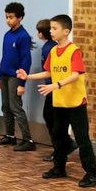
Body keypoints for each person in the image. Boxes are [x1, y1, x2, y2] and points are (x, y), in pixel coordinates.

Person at [17, 15, 96, 187]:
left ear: (66, 31)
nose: (51, 31)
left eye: (54, 28)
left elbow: (75, 75)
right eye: (51, 28)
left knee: (82, 138)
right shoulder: (53, 51)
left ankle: (92, 174)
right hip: (60, 102)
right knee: (58, 135)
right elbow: (48, 72)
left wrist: (56, 85)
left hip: (76, 103)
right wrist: (28, 76)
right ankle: (59, 168)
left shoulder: (74, 51)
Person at [0, 2, 35, 151]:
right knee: (5, 106)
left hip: (15, 76)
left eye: (11, 17)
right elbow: (5, 58)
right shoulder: (7, 35)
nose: (8, 20)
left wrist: (21, 84)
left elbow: (26, 60)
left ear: (20, 18)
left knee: (15, 107)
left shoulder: (23, 36)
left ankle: (27, 139)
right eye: (6, 17)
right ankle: (10, 136)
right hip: (5, 75)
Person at [35, 19, 58, 161]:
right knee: (49, 117)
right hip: (50, 86)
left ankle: (61, 146)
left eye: (39, 32)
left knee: (52, 118)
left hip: (53, 87)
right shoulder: (48, 47)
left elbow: (50, 70)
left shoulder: (50, 48)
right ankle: (62, 146)